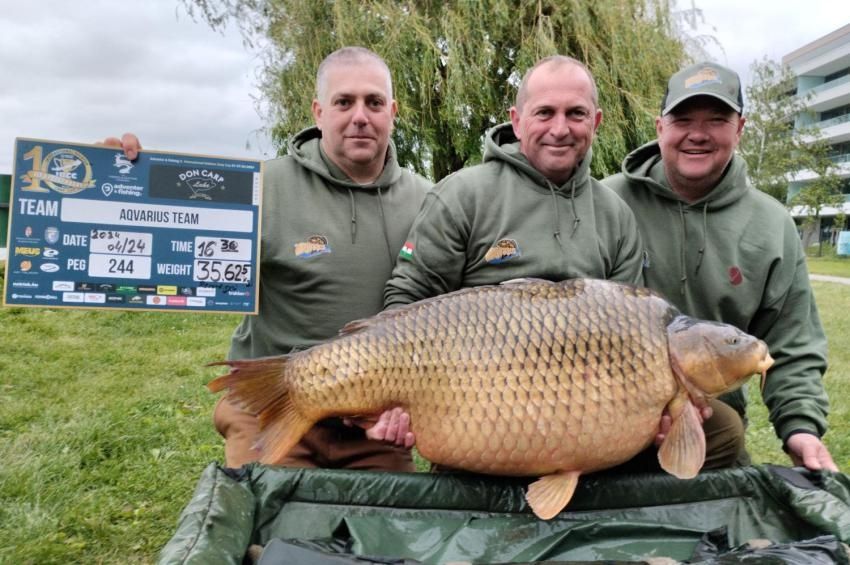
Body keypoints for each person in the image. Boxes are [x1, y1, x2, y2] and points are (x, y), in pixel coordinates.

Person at [107, 47, 429, 470]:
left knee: (385, 536)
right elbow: (161, 238)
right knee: (267, 534)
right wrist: (111, 180)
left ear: (393, 111)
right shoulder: (261, 187)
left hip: (373, 426)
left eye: (374, 102)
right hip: (273, 406)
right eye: (343, 102)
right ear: (318, 111)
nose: (360, 117)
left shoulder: (429, 200)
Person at [603, 61, 838, 472]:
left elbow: (792, 343)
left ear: (740, 128)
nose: (698, 133)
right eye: (683, 119)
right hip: (602, 414)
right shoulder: (605, 202)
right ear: (660, 127)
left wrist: (800, 427)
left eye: (716, 119)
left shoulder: (772, 225)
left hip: (710, 426)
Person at [383, 55, 643, 309]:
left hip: (582, 351)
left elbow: (627, 319)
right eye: (545, 113)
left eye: (576, 113)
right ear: (517, 121)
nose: (560, 129)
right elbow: (407, 298)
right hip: (469, 351)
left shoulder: (617, 217)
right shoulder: (462, 196)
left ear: (595, 123)